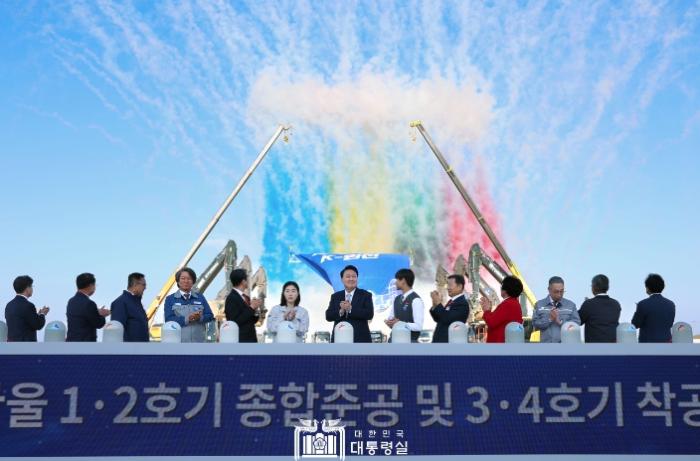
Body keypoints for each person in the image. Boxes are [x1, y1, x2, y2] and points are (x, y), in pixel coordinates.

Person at [325, 265, 374, 343]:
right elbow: (328, 316)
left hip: (360, 340)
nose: (351, 279)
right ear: (342, 279)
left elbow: (369, 314)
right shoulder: (336, 296)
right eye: (348, 276)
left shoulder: (366, 295)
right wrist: (341, 311)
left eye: (354, 276)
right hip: (339, 339)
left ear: (357, 278)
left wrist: (350, 309)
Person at [163, 267, 214, 343]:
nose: (186, 281)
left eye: (189, 278)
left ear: (193, 281)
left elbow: (210, 316)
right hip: (179, 343)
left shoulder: (200, 297)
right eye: (183, 278)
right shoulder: (170, 299)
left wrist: (200, 317)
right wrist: (187, 319)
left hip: (199, 343)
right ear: (178, 281)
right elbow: (169, 319)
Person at [532, 276, 580, 343]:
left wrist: (560, 322)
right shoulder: (539, 305)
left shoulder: (571, 305)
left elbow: (576, 325)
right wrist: (549, 320)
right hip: (545, 347)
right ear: (549, 290)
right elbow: (535, 323)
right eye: (556, 291)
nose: (559, 294)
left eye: (562, 291)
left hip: (565, 347)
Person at [631, 273, 675, 343]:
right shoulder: (671, 304)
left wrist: (637, 310)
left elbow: (635, 325)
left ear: (648, 287)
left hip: (647, 344)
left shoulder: (643, 304)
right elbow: (670, 324)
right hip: (666, 342)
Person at [66, 273, 110, 342]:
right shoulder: (89, 304)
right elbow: (98, 324)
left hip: (72, 341)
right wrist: (102, 315)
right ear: (91, 285)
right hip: (85, 344)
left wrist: (96, 312)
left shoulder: (71, 301)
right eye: (95, 285)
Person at [578, 274, 621, 343]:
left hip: (593, 346)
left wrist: (586, 305)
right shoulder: (616, 304)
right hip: (612, 345)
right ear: (608, 287)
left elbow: (578, 321)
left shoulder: (588, 304)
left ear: (594, 287)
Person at [480, 275, 524, 343]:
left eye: (502, 286)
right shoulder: (514, 303)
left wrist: (486, 311)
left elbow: (491, 322)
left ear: (505, 289)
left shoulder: (507, 304)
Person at [5, 275, 49, 342]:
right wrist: (42, 314)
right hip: (26, 346)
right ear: (27, 288)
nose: (32, 289)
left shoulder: (9, 305)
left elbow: (21, 322)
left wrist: (37, 315)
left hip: (11, 345)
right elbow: (38, 325)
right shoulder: (28, 305)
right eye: (31, 286)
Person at [385, 268, 424, 342]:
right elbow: (392, 318)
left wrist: (400, 324)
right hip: (394, 339)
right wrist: (390, 323)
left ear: (403, 280)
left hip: (409, 342)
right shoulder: (396, 299)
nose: (395, 283)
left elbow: (418, 326)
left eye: (397, 280)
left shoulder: (416, 300)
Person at [429, 274, 469, 343]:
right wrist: (434, 303)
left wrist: (438, 303)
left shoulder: (462, 304)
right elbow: (438, 319)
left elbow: (446, 318)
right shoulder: (452, 301)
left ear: (460, 286)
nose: (447, 288)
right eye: (447, 285)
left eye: (450, 285)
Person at [225, 268, 262, 343]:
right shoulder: (231, 298)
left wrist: (256, 310)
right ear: (243, 281)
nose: (248, 281)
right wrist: (251, 308)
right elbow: (234, 322)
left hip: (251, 339)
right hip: (241, 340)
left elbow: (251, 320)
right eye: (247, 279)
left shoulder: (246, 297)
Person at [110, 272, 149, 342]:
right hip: (130, 348)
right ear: (135, 284)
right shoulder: (120, 303)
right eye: (144, 285)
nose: (145, 288)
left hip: (141, 347)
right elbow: (117, 330)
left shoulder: (136, 303)